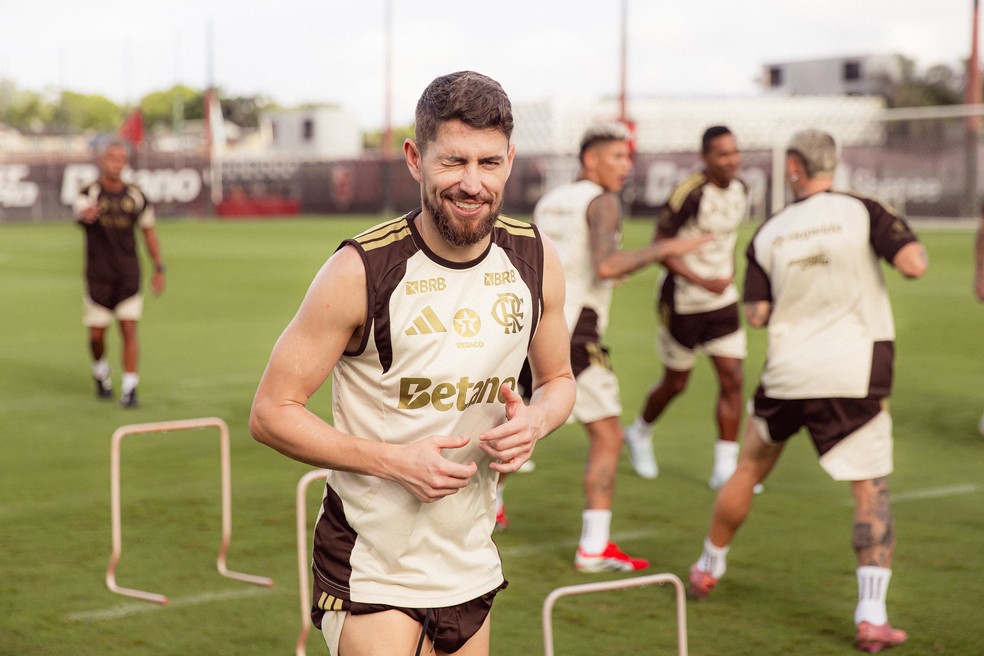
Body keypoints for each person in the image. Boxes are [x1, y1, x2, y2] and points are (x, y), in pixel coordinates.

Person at [249, 71, 576, 656]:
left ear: (510, 159)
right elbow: (272, 412)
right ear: (414, 158)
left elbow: (559, 382)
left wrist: (536, 422)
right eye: (453, 162)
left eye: (489, 163)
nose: (472, 183)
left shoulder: (535, 256)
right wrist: (396, 463)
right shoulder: (360, 270)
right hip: (372, 562)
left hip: (470, 556)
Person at [686, 129, 927, 654]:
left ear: (792, 167)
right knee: (869, 490)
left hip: (788, 372)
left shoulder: (770, 230)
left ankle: (708, 566)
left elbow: (756, 313)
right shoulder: (864, 209)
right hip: (853, 372)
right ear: (832, 165)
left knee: (749, 468)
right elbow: (913, 264)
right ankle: (871, 616)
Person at [520, 122, 711, 572]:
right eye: (618, 157)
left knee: (518, 424)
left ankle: (492, 508)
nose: (627, 166)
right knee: (607, 436)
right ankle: (594, 547)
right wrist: (665, 249)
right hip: (575, 331)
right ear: (591, 159)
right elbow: (606, 265)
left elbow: (552, 259)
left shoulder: (551, 200)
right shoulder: (603, 202)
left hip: (527, 327)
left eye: (629, 158)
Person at [624, 126, 752, 490]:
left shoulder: (742, 189)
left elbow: (724, 242)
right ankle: (640, 433)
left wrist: (724, 276)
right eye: (723, 154)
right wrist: (702, 280)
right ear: (706, 157)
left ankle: (724, 469)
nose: (732, 160)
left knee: (733, 378)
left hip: (723, 300)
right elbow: (659, 246)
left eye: (735, 151)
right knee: (677, 382)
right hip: (683, 301)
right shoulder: (690, 193)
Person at [73, 139, 165, 408]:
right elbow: (78, 216)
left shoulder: (135, 195)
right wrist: (84, 216)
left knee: (129, 330)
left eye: (121, 158)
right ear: (102, 160)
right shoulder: (89, 192)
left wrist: (159, 268)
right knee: (97, 336)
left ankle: (130, 386)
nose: (117, 163)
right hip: (98, 275)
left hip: (128, 274)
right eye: (112, 157)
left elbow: (148, 230)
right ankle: (100, 370)